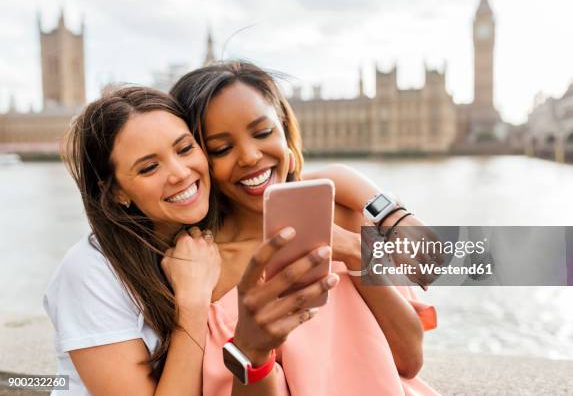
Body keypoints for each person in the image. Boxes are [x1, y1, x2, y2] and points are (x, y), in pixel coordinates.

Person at [44, 87, 336, 395]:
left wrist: (371, 220)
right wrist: (193, 305)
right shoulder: (91, 272)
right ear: (116, 192)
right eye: (149, 167)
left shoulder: (211, 227)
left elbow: (297, 181)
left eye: (184, 149)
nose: (180, 173)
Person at [170, 60, 438, 395]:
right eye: (222, 148)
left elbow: (409, 360)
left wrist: (357, 253)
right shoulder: (201, 270)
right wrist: (253, 350)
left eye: (263, 132)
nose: (250, 156)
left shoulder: (344, 218)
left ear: (284, 131)